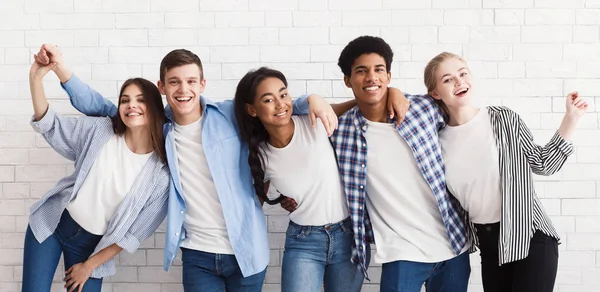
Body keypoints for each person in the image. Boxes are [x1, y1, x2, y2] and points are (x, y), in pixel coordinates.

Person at [36, 44, 340, 291]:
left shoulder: (229, 115)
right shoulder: (159, 127)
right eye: (175, 82)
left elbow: (272, 106)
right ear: (162, 87)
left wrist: (312, 100)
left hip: (247, 252)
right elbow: (101, 106)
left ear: (202, 84)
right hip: (198, 256)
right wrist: (61, 70)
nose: (184, 89)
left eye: (191, 81)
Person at [233, 67, 408, 292]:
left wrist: (392, 91)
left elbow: (362, 103)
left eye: (283, 95)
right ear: (252, 109)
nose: (280, 104)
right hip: (304, 242)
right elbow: (252, 207)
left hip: (348, 237)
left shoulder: (313, 121)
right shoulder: (261, 156)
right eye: (268, 100)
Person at [427, 52, 587, 292]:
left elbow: (544, 163)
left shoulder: (502, 119)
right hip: (490, 246)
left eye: (462, 73)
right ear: (435, 93)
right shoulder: (436, 141)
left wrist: (571, 118)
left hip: (530, 236)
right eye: (448, 79)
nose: (459, 82)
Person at [330, 36, 472, 292]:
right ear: (347, 80)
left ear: (389, 76)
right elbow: (289, 116)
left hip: (452, 246)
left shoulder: (424, 108)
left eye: (379, 70)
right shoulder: (340, 132)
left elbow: (463, 118)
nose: (372, 77)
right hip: (400, 252)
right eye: (361, 72)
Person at [23, 48, 170, 292]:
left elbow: (132, 235)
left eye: (140, 99)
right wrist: (36, 78)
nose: (131, 105)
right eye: (125, 100)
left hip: (92, 250)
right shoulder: (101, 130)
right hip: (55, 224)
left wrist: (89, 266)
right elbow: (50, 125)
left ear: (154, 107)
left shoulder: (161, 175)